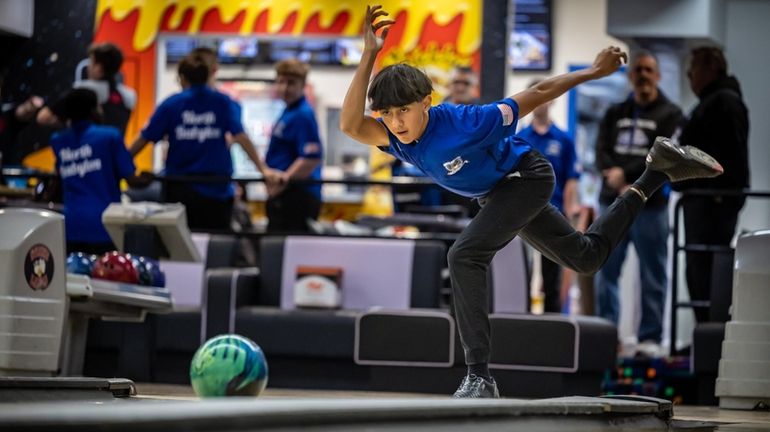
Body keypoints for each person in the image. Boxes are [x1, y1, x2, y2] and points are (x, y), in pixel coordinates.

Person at [340, 5, 723, 398]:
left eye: (403, 110)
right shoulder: (400, 139)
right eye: (387, 114)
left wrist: (592, 73)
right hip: (497, 195)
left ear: (426, 101)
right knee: (586, 257)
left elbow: (536, 93)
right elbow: (351, 124)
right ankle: (656, 172)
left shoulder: (468, 121)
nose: (396, 122)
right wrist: (370, 53)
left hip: (527, 177)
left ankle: (479, 377)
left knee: (463, 255)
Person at [594, 50, 686, 357]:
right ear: (631, 76)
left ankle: (649, 338)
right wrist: (615, 176)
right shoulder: (614, 112)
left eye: (649, 70)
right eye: (638, 71)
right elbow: (601, 151)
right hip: (614, 203)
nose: (644, 75)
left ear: (658, 76)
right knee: (606, 270)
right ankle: (605, 334)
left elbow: (664, 157)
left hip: (651, 207)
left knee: (653, 273)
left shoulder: (671, 114)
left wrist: (629, 174)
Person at [129, 53, 283, 231]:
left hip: (179, 191)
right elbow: (241, 137)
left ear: (182, 77)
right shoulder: (223, 102)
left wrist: (122, 166)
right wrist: (263, 169)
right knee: (214, 248)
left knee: (178, 249)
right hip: (216, 192)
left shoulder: (171, 104)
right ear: (209, 75)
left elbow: (145, 138)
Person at [675, 46, 750, 323]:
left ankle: (709, 333)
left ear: (711, 69)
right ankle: (705, 331)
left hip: (712, 204)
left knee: (706, 272)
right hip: (704, 202)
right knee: (697, 270)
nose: (689, 77)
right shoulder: (710, 103)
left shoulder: (724, 103)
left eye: (692, 71)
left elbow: (729, 158)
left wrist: (720, 196)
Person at [50, 88, 151, 254]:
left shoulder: (58, 140)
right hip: (106, 226)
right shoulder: (110, 136)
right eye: (99, 106)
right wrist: (149, 178)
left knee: (75, 279)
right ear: (93, 110)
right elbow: (132, 180)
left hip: (71, 226)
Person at [517, 79, 580, 313]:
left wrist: (569, 212)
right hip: (521, 215)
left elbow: (572, 179)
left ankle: (552, 321)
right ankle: (520, 318)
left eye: (544, 94)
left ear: (552, 99)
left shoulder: (564, 139)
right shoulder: (521, 137)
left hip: (553, 214)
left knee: (551, 274)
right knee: (522, 270)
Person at [264, 59, 323, 233]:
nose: (284, 88)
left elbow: (310, 159)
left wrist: (282, 182)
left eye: (291, 83)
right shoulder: (288, 110)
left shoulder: (303, 114)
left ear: (303, 85)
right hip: (286, 194)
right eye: (281, 82)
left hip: (297, 196)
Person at [38, 42, 136, 137]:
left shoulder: (82, 91)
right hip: (114, 151)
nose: (88, 67)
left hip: (87, 151)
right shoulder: (128, 96)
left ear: (99, 68)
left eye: (91, 62)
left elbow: (43, 117)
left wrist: (66, 121)